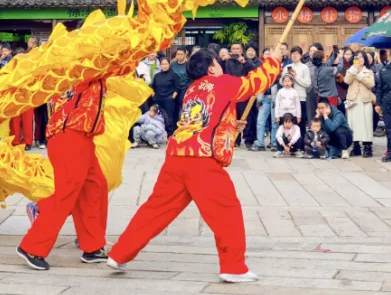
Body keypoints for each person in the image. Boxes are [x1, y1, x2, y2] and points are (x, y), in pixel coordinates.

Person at [107, 47, 281, 282]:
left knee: (156, 209)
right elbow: (256, 82)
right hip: (201, 160)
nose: (221, 67)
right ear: (211, 68)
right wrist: (273, 61)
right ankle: (233, 266)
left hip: (176, 155)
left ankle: (120, 253)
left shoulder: (192, 89)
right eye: (218, 63)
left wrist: (230, 125)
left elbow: (205, 120)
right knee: (226, 211)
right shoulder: (222, 83)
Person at [16, 76, 109, 271]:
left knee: (95, 186)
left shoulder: (84, 67)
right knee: (66, 193)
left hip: (82, 135)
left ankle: (92, 246)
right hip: (70, 135)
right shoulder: (87, 65)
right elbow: (117, 65)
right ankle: (32, 247)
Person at [344, 51, 376, 158]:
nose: (359, 59)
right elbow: (347, 81)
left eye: (362, 57)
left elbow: (370, 84)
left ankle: (367, 147)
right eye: (357, 57)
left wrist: (359, 75)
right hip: (353, 100)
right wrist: (354, 70)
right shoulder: (350, 70)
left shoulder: (368, 72)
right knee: (353, 123)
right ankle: (356, 146)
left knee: (366, 123)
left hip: (365, 99)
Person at [282, 48, 311, 128]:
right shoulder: (287, 67)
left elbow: (307, 84)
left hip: (300, 98)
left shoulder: (304, 67)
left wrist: (295, 76)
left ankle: (301, 136)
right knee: (289, 123)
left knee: (300, 123)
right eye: (293, 54)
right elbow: (281, 82)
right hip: (288, 98)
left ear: (301, 55)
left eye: (297, 54)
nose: (294, 55)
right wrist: (287, 78)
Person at [151, 58, 180, 132]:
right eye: (162, 64)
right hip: (158, 99)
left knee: (169, 117)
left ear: (169, 64)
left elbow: (177, 87)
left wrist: (172, 97)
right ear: (160, 65)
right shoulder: (157, 75)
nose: (164, 66)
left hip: (168, 99)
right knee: (157, 116)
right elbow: (153, 87)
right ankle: (159, 132)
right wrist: (154, 96)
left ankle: (170, 133)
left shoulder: (173, 75)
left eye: (166, 64)